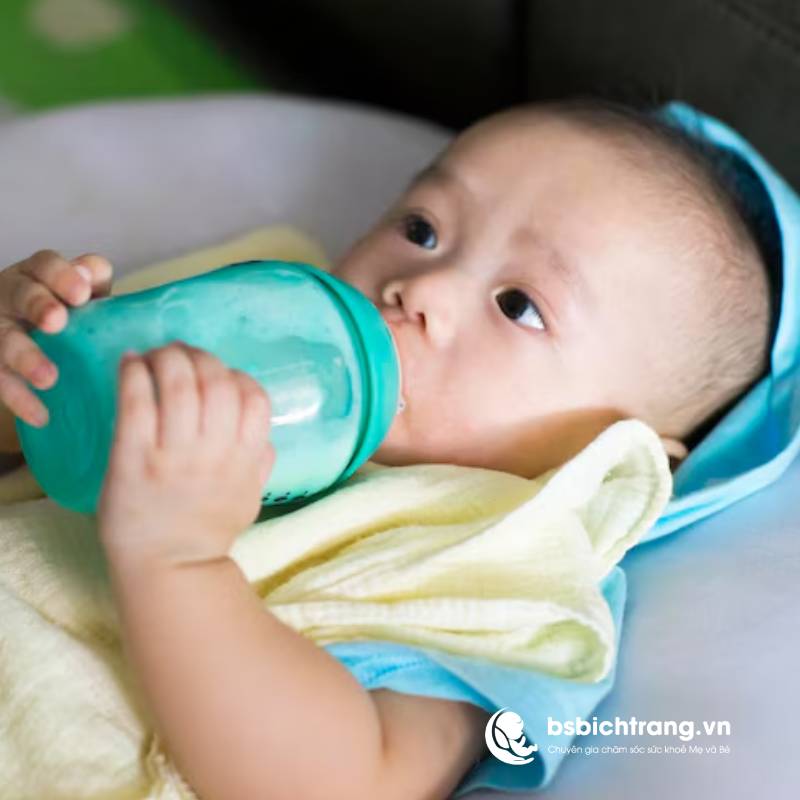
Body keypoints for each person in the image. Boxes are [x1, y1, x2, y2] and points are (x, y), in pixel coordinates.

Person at [0, 95, 786, 799]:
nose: (422, 287)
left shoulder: (505, 581)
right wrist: (30, 368)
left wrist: (178, 564)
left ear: (616, 458)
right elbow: (43, 447)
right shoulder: (244, 334)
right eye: (422, 229)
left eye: (519, 305)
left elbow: (347, 781)